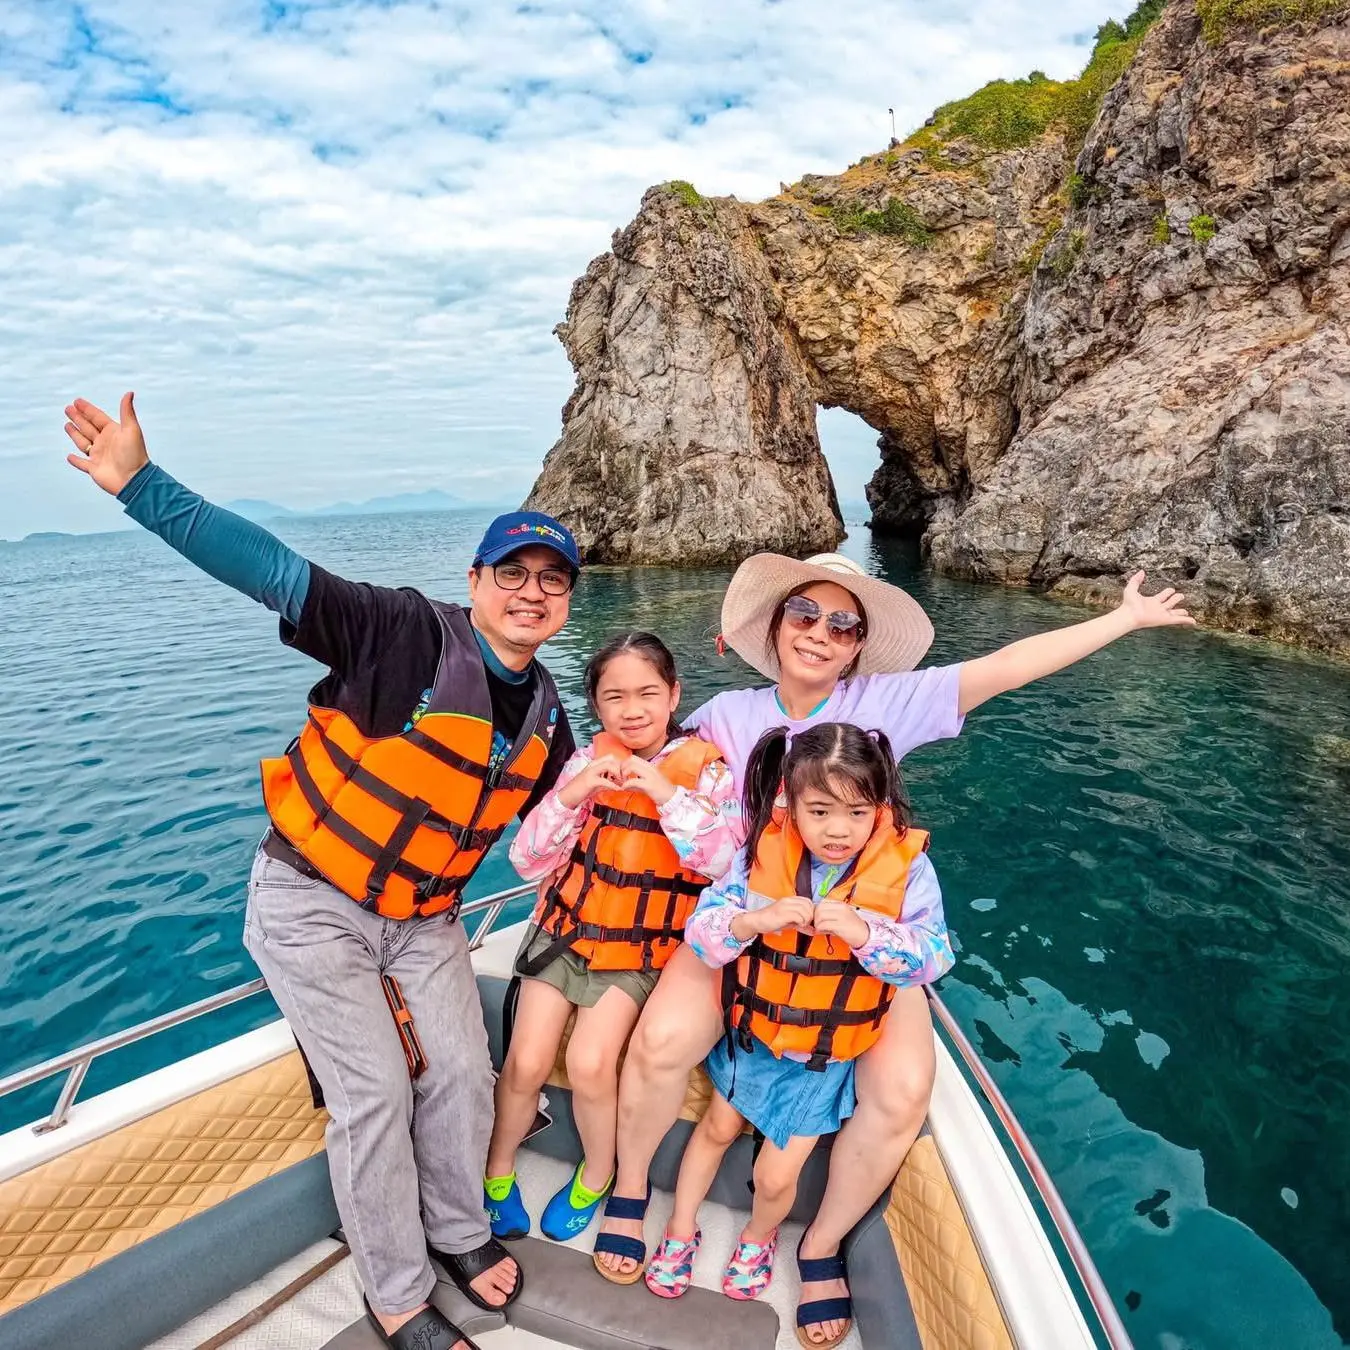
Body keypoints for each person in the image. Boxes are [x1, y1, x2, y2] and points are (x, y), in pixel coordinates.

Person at [61, 392, 581, 1350]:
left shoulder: (550, 720)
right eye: (514, 571)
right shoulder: (399, 633)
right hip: (311, 901)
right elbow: (269, 569)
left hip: (425, 918)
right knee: (375, 1094)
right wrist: (140, 485)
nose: (533, 591)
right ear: (477, 580)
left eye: (555, 580)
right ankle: (394, 1295)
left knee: (466, 1073)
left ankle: (460, 1233)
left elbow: (567, 823)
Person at [593, 551, 1195, 1346]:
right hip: (749, 920)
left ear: (858, 646)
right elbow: (644, 745)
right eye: (804, 614)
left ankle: (818, 1246)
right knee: (662, 1039)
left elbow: (1005, 668)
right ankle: (632, 1193)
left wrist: (1122, 618)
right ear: (774, 626)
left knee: (906, 1087)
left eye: (842, 624)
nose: (820, 632)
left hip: (858, 941)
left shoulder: (891, 702)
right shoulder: (726, 716)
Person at [645, 724, 950, 1342]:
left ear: (881, 808)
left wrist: (866, 933)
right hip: (753, 1036)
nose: (837, 829)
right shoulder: (762, 850)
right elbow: (705, 931)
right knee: (715, 1129)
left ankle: (758, 1241)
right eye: (819, 811)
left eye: (857, 812)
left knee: (779, 1177)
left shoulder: (910, 871)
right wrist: (753, 920)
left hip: (821, 1060)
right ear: (789, 801)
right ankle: (681, 1229)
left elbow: (933, 955)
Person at [487, 632, 737, 1249]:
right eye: (614, 697)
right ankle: (496, 1174)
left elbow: (721, 859)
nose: (632, 709)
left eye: (648, 693)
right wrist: (574, 793)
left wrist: (661, 792)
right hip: (563, 934)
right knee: (522, 1062)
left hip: (638, 949)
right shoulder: (583, 765)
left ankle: (597, 1175)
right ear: (596, 707)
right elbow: (525, 859)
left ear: (675, 694)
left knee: (592, 1063)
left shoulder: (705, 772)